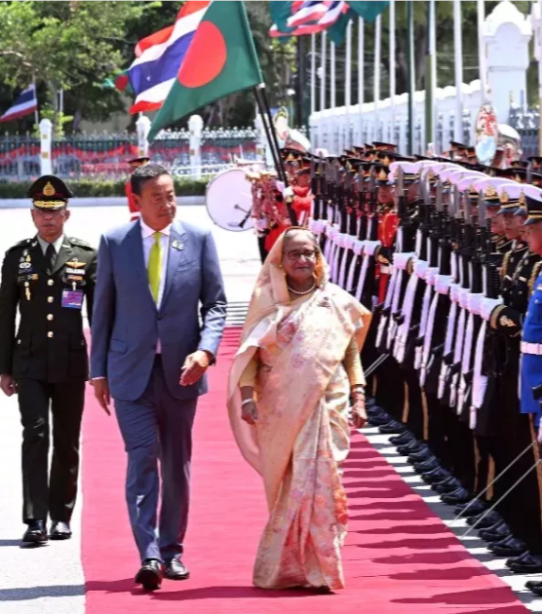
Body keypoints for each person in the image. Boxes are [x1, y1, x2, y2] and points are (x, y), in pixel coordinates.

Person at [89, 163, 227, 591]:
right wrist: (98, 372)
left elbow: (216, 305)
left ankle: (172, 550)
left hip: (180, 373)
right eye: (157, 197)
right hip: (130, 371)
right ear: (137, 201)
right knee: (142, 456)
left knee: (176, 464)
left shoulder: (198, 239)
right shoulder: (115, 242)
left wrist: (205, 351)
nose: (167, 204)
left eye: (171, 195)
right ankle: (148, 553)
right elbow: (102, 310)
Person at [227, 228, 370, 592]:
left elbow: (350, 352)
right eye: (295, 254)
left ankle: (322, 568)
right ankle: (287, 567)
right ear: (280, 260)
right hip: (280, 407)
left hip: (328, 403)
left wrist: (358, 395)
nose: (303, 260)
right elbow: (250, 355)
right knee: (291, 485)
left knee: (323, 482)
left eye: (309, 253)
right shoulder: (266, 300)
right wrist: (247, 397)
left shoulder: (335, 301)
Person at [0, 175, 96, 545]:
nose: (48, 218)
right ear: (32, 214)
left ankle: (61, 516)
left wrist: (102, 367)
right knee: (36, 434)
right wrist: (4, 368)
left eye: (55, 211)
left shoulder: (85, 256)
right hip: (30, 362)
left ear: (66, 214)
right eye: (42, 211)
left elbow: (98, 315)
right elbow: (5, 315)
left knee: (67, 439)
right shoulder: (17, 257)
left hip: (70, 363)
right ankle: (35, 518)